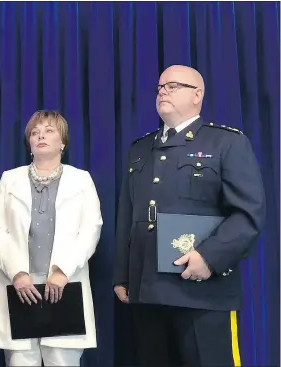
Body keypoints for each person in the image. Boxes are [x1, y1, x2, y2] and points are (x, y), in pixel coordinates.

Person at [113, 65, 266, 366]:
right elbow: (127, 217)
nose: (163, 91)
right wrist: (123, 273)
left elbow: (248, 213)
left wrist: (208, 256)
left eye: (173, 86)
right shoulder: (140, 149)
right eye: (159, 87)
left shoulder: (227, 143)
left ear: (198, 95)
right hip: (147, 291)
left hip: (201, 291)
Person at [0, 110, 103, 366]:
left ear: (63, 142)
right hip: (20, 287)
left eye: (49, 131)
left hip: (63, 285)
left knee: (62, 360)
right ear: (29, 144)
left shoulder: (81, 180)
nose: (40, 136)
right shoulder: (10, 179)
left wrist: (63, 272)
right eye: (35, 133)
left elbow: (91, 230)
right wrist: (17, 273)